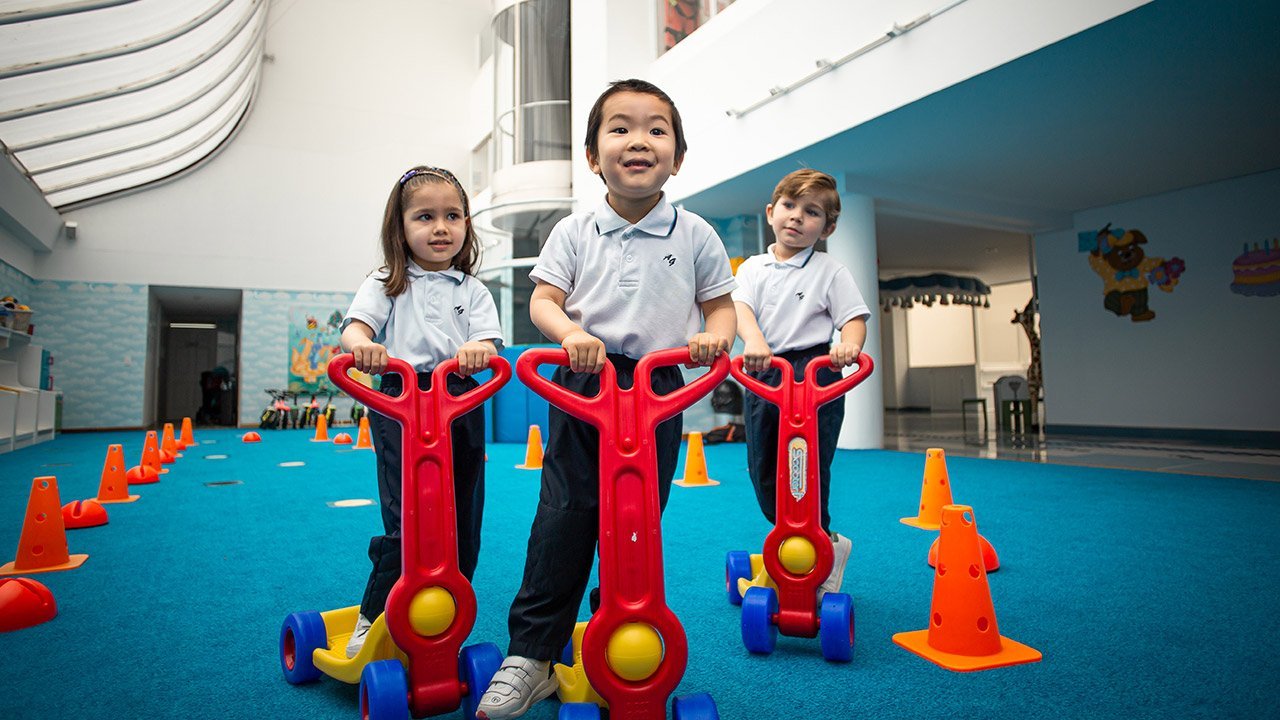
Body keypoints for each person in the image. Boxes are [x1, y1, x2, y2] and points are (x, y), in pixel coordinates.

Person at [475, 79, 737, 720]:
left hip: (658, 386)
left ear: (677, 155)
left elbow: (722, 306)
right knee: (565, 510)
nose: (638, 140)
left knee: (638, 516)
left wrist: (712, 338)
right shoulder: (574, 230)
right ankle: (532, 653)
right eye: (620, 128)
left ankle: (617, 630)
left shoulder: (696, 233)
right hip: (587, 380)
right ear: (593, 156)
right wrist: (571, 334)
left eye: (656, 129)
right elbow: (543, 300)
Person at [339, 165, 502, 658]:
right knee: (406, 515)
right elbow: (354, 330)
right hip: (401, 396)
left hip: (458, 397)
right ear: (401, 227)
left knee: (462, 511)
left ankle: (447, 609)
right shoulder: (387, 280)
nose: (440, 228)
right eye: (425, 216)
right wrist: (363, 346)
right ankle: (375, 616)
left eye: (453, 216)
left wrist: (479, 350)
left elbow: (490, 342)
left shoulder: (471, 289)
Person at [732, 168, 870, 601]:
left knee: (808, 469)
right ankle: (802, 540)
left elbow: (853, 320)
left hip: (815, 371)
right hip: (766, 367)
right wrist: (753, 340)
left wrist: (847, 347)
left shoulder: (831, 271)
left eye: (811, 212)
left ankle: (821, 545)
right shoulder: (753, 267)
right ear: (772, 212)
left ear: (826, 227)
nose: (796, 217)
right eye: (789, 206)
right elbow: (741, 308)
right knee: (763, 468)